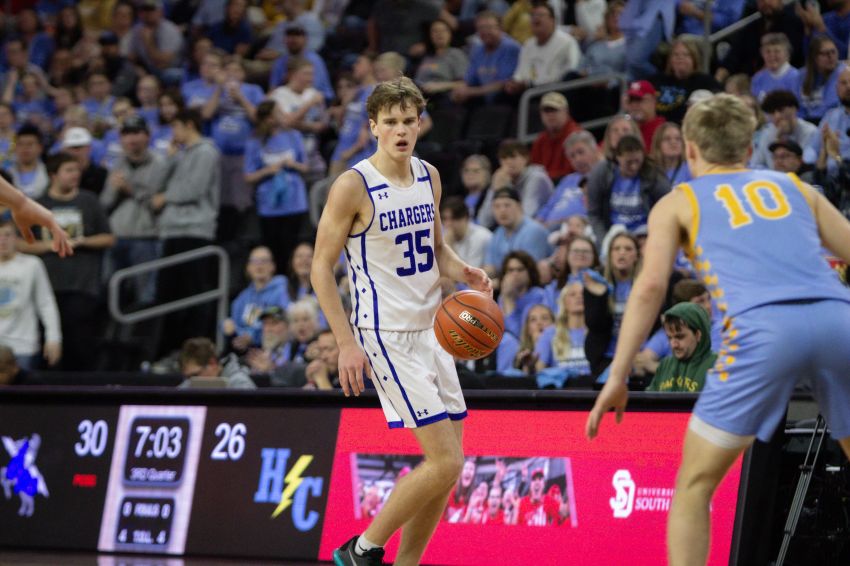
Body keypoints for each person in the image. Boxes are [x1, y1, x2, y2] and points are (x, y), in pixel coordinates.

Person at [586, 93, 850, 566]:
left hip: (764, 331)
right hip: (838, 318)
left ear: (689, 150)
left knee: (694, 484)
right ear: (750, 148)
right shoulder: (794, 186)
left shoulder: (677, 201)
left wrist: (619, 374)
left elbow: (648, 290)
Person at [311, 76, 492, 566]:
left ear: (419, 123)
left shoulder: (429, 176)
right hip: (385, 334)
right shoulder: (352, 185)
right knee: (447, 460)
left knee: (448, 467)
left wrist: (464, 271)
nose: (400, 130)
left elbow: (435, 248)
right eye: (389, 122)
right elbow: (319, 269)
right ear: (373, 127)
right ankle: (361, 549)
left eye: (408, 120)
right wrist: (346, 344)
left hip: (433, 330)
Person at [18, 153, 114, 371]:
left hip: (83, 286)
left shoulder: (89, 201)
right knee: (47, 344)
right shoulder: (38, 204)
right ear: (53, 175)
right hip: (46, 286)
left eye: (77, 170)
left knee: (80, 344)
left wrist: (82, 241)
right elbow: (21, 243)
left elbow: (108, 238)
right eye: (69, 170)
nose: (75, 175)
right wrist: (49, 245)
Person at [99, 115, 168, 305]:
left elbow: (156, 202)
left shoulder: (160, 164)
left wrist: (129, 188)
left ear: (147, 136)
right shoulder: (117, 163)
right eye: (127, 134)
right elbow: (105, 202)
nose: (132, 139)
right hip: (117, 234)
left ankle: (142, 334)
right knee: (109, 289)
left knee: (145, 294)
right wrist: (116, 191)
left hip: (145, 236)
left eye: (136, 133)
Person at [0, 219, 62, 369]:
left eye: (7, 235)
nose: (2, 240)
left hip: (23, 345)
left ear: (17, 238)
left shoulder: (32, 265)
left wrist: (54, 338)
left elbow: (46, 303)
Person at [222, 246, 289, 352]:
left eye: (264, 261)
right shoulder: (242, 298)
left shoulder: (283, 289)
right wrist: (234, 330)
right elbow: (233, 324)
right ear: (248, 267)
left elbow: (281, 321)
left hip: (275, 349)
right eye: (254, 261)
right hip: (245, 350)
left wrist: (251, 336)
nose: (259, 265)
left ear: (273, 266)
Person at [645, 302, 717, 393]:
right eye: (669, 338)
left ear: (698, 335)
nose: (673, 344)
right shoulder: (665, 365)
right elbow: (649, 404)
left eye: (680, 337)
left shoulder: (717, 366)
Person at [751, 90, 818, 170]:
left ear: (794, 109)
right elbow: (756, 164)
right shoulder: (767, 132)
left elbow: (806, 162)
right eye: (772, 113)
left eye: (781, 110)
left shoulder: (810, 132)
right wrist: (777, 139)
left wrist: (782, 142)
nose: (777, 116)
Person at [529, 92, 582, 183]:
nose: (550, 115)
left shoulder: (576, 136)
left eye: (554, 110)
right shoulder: (541, 140)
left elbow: (574, 172)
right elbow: (534, 168)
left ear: (566, 112)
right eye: (546, 111)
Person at [178, 337, 257, 389]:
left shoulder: (241, 385)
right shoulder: (189, 384)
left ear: (212, 363)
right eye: (187, 377)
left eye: (195, 375)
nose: (190, 381)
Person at [440, 196, 492, 268]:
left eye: (454, 218)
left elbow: (469, 273)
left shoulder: (480, 236)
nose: (448, 224)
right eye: (445, 219)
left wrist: (449, 247)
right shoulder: (445, 236)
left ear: (466, 218)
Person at [750, 33, 800, 103]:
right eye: (768, 52)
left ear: (787, 53)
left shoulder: (797, 77)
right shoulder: (757, 78)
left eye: (777, 51)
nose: (772, 56)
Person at [626, 80, 666, 151]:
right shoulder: (624, 128)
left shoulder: (663, 131)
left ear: (654, 101)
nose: (634, 105)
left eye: (639, 100)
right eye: (631, 100)